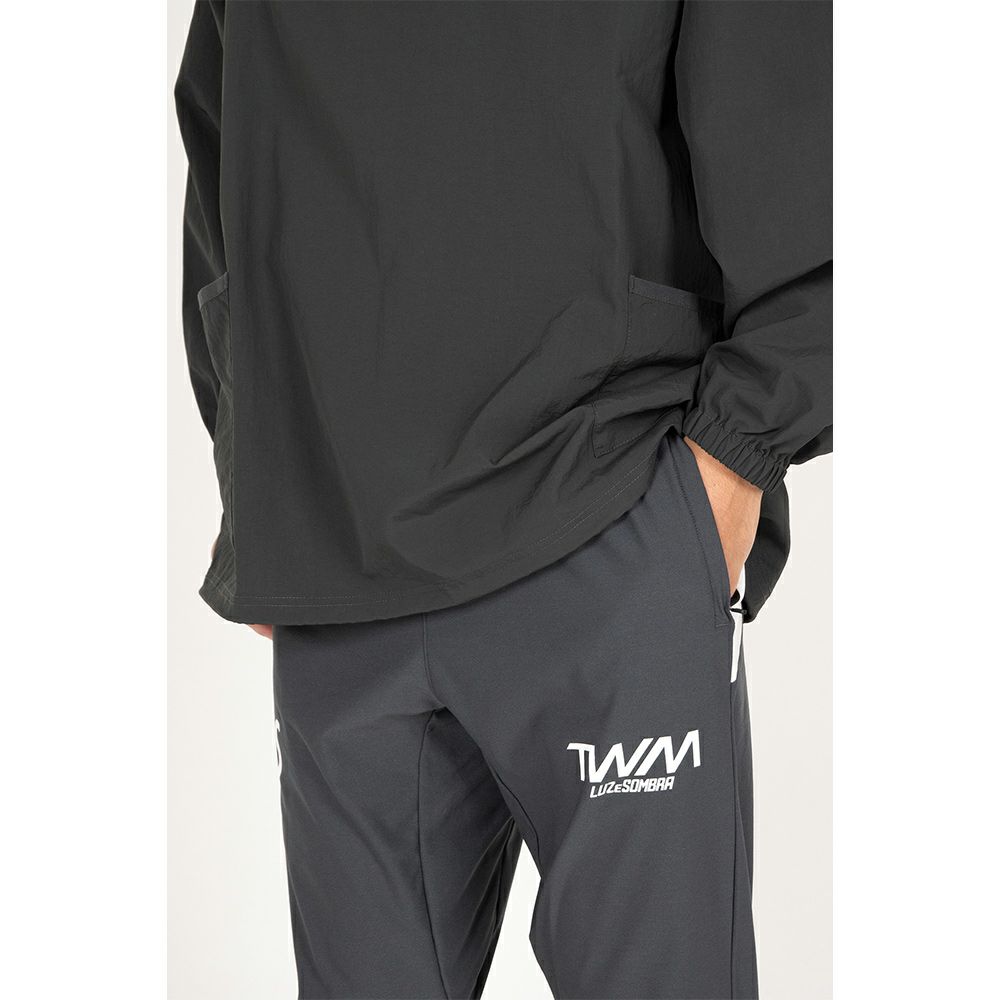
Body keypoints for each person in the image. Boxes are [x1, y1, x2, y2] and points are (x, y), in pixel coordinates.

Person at [175, 2, 831, 997]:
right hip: (340, 562)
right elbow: (225, 127)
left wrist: (738, 450)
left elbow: (790, 101)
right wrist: (259, 473)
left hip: (602, 506)